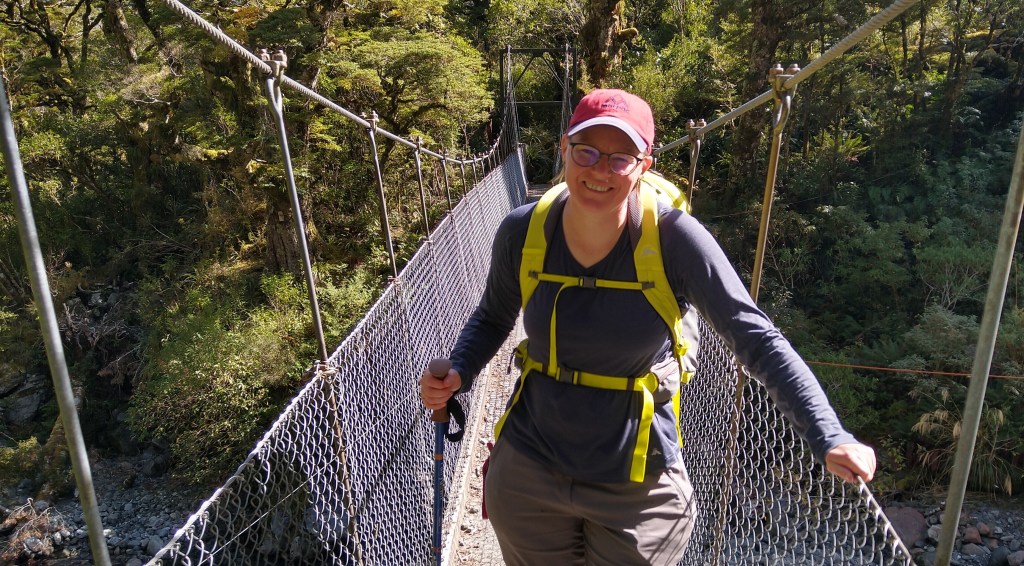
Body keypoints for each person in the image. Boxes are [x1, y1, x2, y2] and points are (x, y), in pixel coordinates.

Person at [419, 88, 876, 566]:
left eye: (620, 158)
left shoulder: (675, 240)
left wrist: (830, 435)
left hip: (638, 484)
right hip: (529, 472)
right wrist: (461, 370)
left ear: (645, 165)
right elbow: (494, 316)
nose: (600, 169)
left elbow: (756, 339)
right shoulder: (523, 231)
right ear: (564, 150)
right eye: (586, 151)